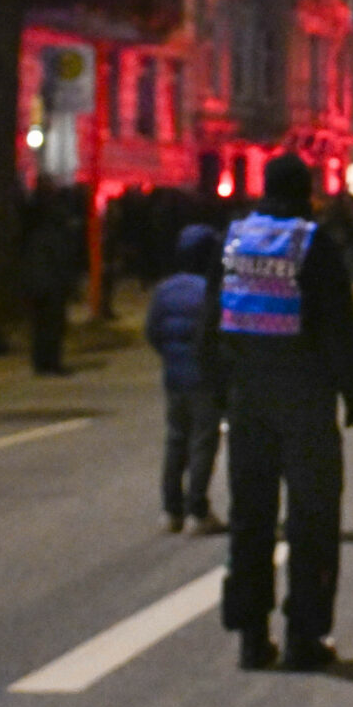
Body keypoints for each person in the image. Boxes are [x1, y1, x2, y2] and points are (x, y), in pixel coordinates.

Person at [204, 154, 353, 672]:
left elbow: (211, 321)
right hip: (305, 400)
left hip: (248, 400)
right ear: (306, 190)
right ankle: (305, 636)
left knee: (250, 519)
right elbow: (339, 326)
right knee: (312, 520)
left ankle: (251, 636)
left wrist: (216, 392)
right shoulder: (312, 243)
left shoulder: (233, 241)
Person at [147, 223, 227, 535]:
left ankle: (170, 509)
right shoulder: (210, 291)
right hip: (204, 377)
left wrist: (169, 356)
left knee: (176, 439)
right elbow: (219, 335)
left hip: (174, 377)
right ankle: (197, 509)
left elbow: (153, 331)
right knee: (203, 442)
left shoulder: (165, 289)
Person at [22, 181, 80, 376]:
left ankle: (41, 362)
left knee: (39, 325)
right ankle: (51, 362)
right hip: (51, 282)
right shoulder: (57, 224)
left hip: (35, 280)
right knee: (53, 324)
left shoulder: (31, 221)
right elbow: (61, 256)